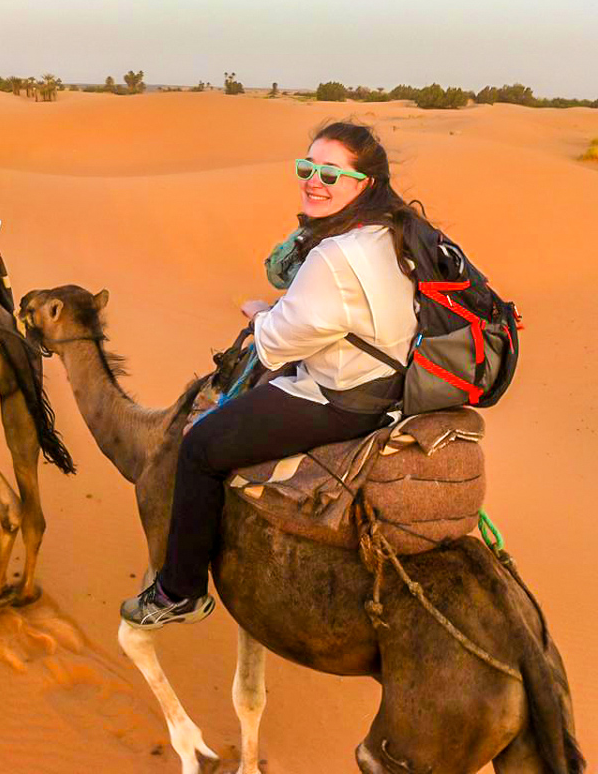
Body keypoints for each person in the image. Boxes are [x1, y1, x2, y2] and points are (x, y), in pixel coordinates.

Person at [120, 121, 423, 629]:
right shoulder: (393, 233)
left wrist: (261, 313)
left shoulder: (333, 255)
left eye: (331, 172)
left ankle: (179, 592)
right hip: (395, 390)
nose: (314, 181)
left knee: (199, 448)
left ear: (364, 183)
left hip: (339, 398)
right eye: (307, 169)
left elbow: (279, 343)